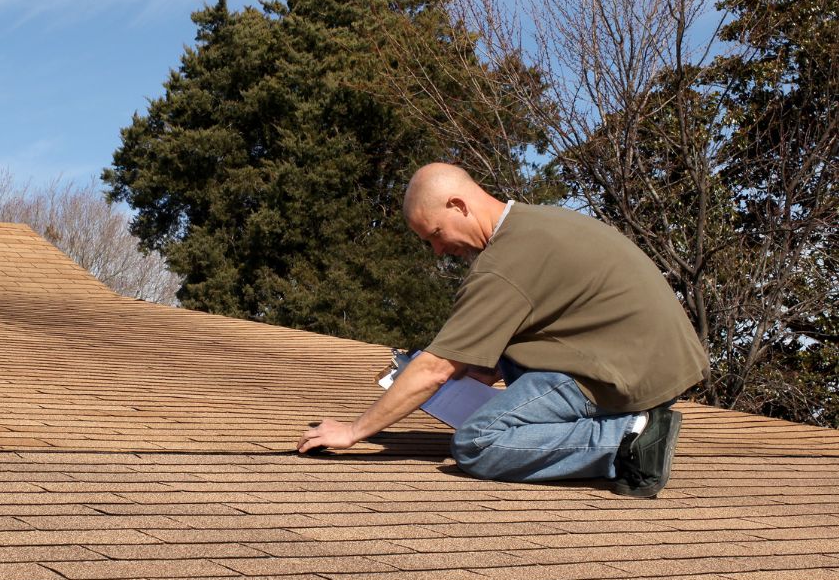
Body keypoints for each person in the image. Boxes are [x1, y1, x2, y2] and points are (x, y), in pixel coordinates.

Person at [297, 163, 710, 498]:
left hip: (617, 376)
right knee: (490, 369)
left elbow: (436, 368)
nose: (439, 250)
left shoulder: (502, 265)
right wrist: (489, 367)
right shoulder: (534, 224)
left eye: (436, 235)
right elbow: (556, 317)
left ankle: (628, 440)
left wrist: (353, 432)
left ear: (458, 205)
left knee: (477, 444)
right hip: (647, 361)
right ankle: (628, 426)